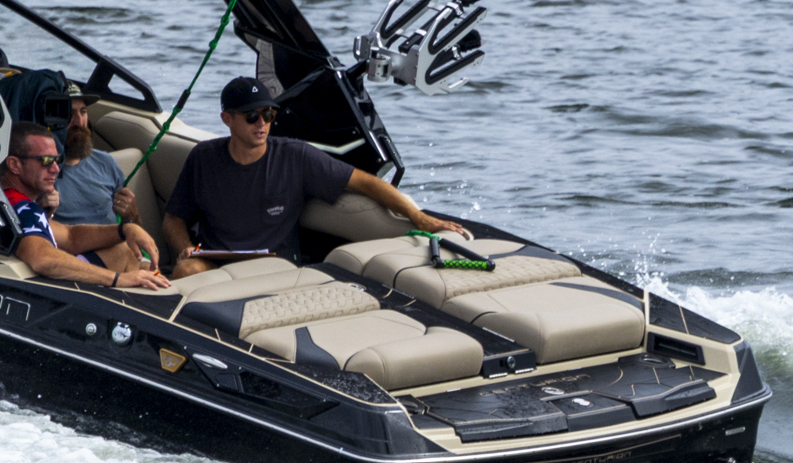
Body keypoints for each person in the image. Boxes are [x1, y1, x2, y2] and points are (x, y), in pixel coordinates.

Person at [163, 76, 467, 279]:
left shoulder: (295, 156)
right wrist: (184, 248)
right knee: (186, 271)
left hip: (276, 268)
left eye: (268, 114)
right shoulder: (204, 158)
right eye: (252, 116)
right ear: (227, 119)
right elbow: (173, 219)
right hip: (217, 264)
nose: (262, 123)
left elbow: (367, 182)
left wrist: (420, 218)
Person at [2, 123, 169, 290]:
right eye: (46, 160)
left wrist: (124, 229)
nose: (55, 169)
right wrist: (118, 279)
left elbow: (70, 237)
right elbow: (43, 259)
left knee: (130, 255)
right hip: (48, 296)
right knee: (124, 253)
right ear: (15, 165)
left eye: (57, 159)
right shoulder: (19, 207)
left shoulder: (11, 202)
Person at [46, 81, 139, 227]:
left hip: (119, 245)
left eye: (83, 112)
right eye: (69, 114)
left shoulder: (106, 161)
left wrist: (132, 215)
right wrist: (43, 213)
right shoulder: (42, 170)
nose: (79, 122)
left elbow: (134, 228)